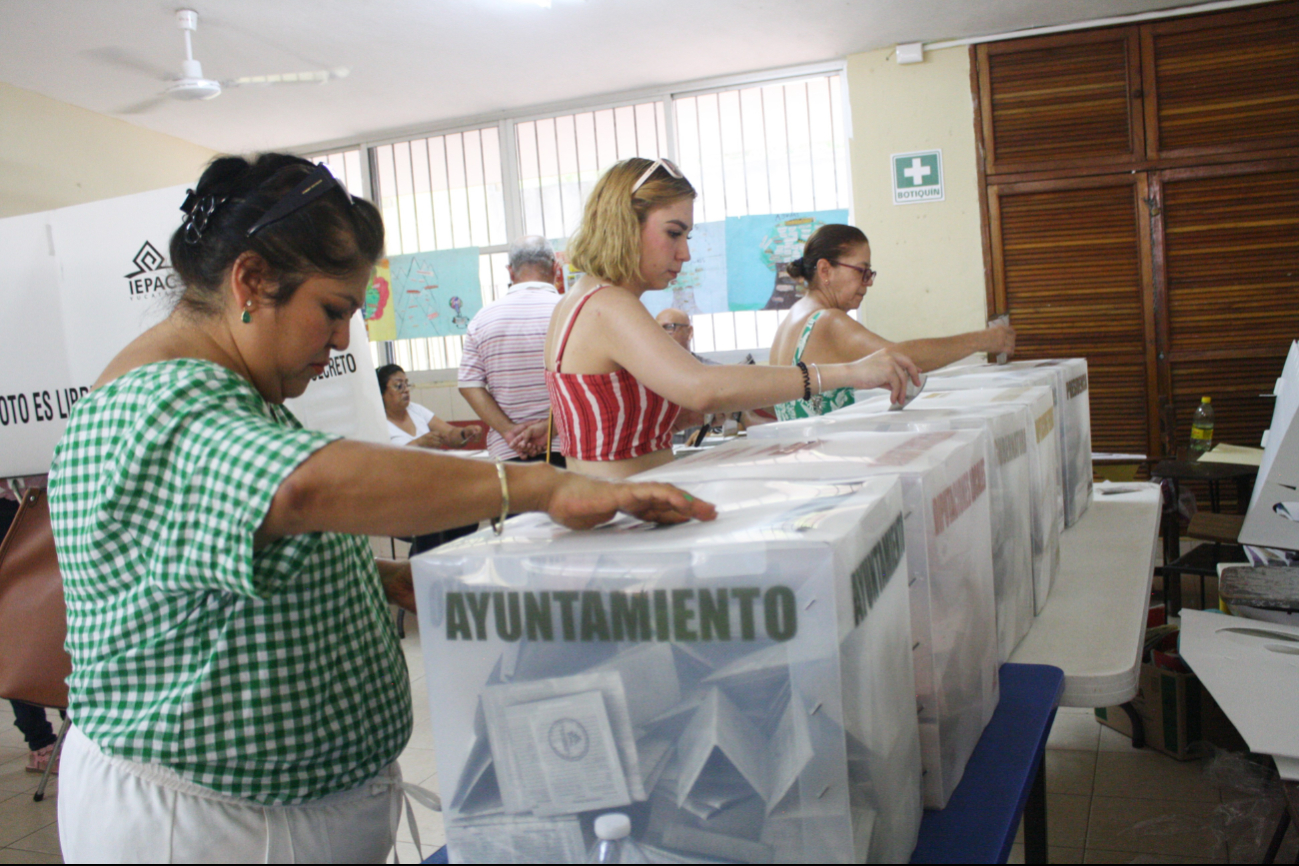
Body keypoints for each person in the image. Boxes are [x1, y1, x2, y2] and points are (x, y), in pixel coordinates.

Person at [46, 153, 714, 864]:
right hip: (205, 828)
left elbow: (218, 561)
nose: (340, 342)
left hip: (271, 817)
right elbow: (301, 489)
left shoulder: (232, 397)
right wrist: (542, 488)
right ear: (249, 280)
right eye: (332, 311)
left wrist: (374, 583)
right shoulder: (158, 401)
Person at [545, 157, 921, 479]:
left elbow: (610, 415)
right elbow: (702, 388)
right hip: (626, 520)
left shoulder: (578, 300)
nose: (685, 254)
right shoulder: (608, 304)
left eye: (687, 236)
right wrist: (852, 372)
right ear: (623, 223)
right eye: (674, 233)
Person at [769, 223, 1016, 420]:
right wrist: (982, 340)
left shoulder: (792, 318)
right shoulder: (827, 321)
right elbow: (901, 358)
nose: (869, 282)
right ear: (825, 271)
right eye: (862, 271)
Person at [458, 236, 564, 465]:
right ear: (556, 268)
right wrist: (552, 428)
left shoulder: (482, 319)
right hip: (568, 448)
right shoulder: (571, 311)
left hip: (508, 451)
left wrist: (509, 432)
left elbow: (468, 385)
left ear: (510, 271)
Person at [378, 363, 473, 449]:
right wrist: (418, 444)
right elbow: (382, 458)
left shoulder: (415, 410)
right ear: (381, 392)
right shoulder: (377, 423)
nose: (406, 390)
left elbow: (449, 434)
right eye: (399, 386)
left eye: (406, 384)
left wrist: (464, 434)